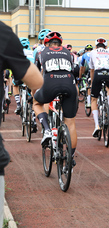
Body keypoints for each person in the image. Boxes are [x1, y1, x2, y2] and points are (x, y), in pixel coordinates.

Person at [0, 20, 43, 228]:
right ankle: (43, 123)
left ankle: (16, 101)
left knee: (15, 88)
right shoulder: (4, 34)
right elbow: (36, 79)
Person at [34, 31, 78, 169]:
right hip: (69, 85)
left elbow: (37, 74)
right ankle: (70, 159)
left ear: (46, 43)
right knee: (70, 122)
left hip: (50, 83)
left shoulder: (40, 51)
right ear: (61, 43)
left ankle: (47, 130)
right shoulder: (69, 52)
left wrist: (34, 91)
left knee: (36, 103)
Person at [89, 37, 109, 137]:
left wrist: (92, 83)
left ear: (96, 46)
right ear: (106, 46)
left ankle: (97, 125)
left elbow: (92, 69)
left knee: (93, 99)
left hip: (98, 72)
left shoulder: (93, 52)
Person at [79, 44, 93, 108]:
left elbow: (82, 67)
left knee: (88, 86)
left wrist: (81, 75)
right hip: (100, 69)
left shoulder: (84, 55)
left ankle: (89, 102)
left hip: (90, 70)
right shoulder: (94, 53)